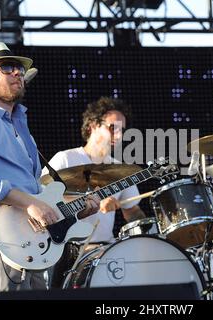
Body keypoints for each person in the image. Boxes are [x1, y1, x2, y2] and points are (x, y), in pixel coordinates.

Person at [0, 41, 101, 292]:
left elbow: (37, 193)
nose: (17, 72)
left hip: (31, 241)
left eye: (19, 69)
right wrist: (30, 204)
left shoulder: (21, 128)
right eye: (7, 67)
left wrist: (73, 211)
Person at [43, 97, 146, 287]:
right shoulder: (65, 159)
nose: (118, 135)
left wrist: (151, 227)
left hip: (105, 249)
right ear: (92, 126)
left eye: (121, 130)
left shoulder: (121, 170)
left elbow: (132, 211)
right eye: (112, 128)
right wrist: (88, 204)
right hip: (65, 250)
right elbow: (42, 200)